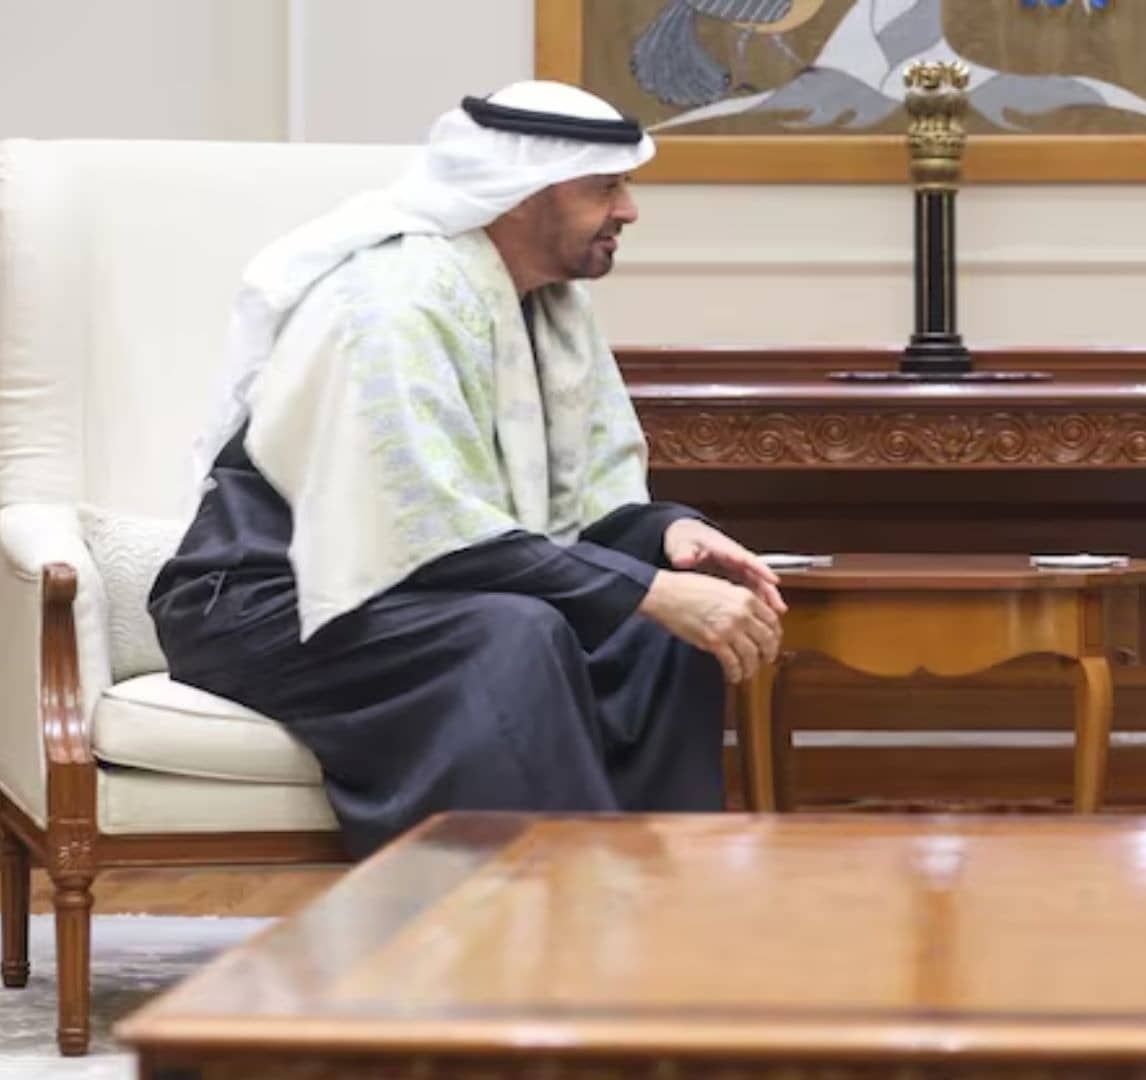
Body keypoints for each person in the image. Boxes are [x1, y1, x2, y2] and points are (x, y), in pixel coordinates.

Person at [149, 82, 785, 858]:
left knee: (665, 627)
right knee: (517, 631)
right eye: (604, 187)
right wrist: (648, 589)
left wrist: (666, 535)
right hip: (266, 602)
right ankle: (523, 921)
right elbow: (429, 530)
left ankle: (647, 900)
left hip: (417, 591)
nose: (628, 211)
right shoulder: (392, 305)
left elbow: (560, 518)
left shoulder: (545, 305)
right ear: (519, 195)